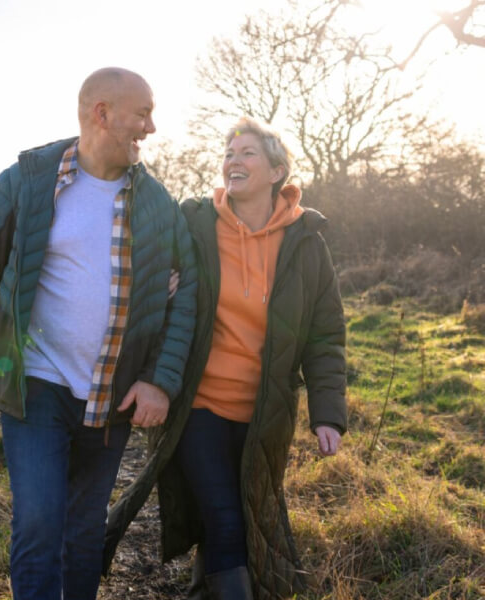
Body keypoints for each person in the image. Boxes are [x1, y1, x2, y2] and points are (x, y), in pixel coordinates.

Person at [0, 67, 197, 600]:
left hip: (110, 395)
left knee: (83, 532)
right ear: (102, 113)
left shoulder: (157, 205)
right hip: (34, 383)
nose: (152, 127)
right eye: (143, 114)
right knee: (41, 522)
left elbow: (187, 297)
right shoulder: (29, 181)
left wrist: (160, 380)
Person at [103, 117, 347, 600]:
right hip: (197, 403)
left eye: (248, 153)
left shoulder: (306, 243)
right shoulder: (195, 222)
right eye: (229, 154)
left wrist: (328, 415)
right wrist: (160, 285)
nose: (234, 161)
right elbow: (140, 257)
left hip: (264, 412)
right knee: (222, 514)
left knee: (242, 515)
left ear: (278, 172)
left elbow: (325, 337)